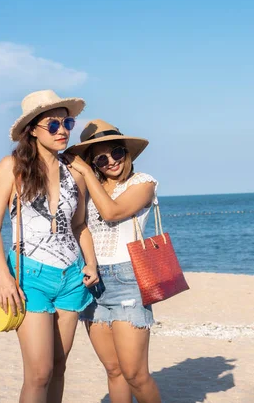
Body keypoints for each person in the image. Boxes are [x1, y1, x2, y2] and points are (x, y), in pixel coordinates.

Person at [0, 90, 99, 403]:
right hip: (29, 278)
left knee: (59, 368)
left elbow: (79, 225)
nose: (62, 130)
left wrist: (91, 263)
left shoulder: (74, 171)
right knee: (38, 373)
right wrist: (5, 278)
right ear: (32, 129)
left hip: (72, 279)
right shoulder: (11, 167)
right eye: (53, 124)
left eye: (67, 122)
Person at [64, 119, 161, 403]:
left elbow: (112, 212)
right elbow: (77, 225)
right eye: (101, 158)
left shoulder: (143, 182)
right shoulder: (89, 187)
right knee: (114, 370)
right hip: (92, 280)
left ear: (127, 153)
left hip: (128, 280)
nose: (111, 162)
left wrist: (84, 170)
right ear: (95, 163)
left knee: (135, 374)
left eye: (117, 152)